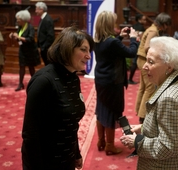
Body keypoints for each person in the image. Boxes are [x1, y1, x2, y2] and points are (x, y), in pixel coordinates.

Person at [120, 36, 178, 169]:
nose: (144, 67)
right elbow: (177, 127)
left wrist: (136, 141)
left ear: (169, 67)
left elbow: (167, 146)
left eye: (151, 62)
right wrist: (143, 128)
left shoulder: (169, 98)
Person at [21, 27, 94, 170]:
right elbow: (30, 135)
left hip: (66, 158)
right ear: (67, 49)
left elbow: (71, 124)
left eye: (89, 51)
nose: (89, 56)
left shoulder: (72, 78)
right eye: (83, 49)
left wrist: (76, 153)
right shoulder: (44, 81)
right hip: (45, 162)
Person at [94, 11, 139, 155]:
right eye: (113, 22)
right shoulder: (112, 42)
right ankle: (109, 145)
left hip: (101, 79)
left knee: (101, 109)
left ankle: (101, 141)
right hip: (112, 82)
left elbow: (110, 47)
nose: (114, 24)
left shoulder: (98, 39)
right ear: (108, 24)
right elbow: (131, 52)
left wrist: (120, 36)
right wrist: (133, 39)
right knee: (112, 112)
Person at [136, 12, 171, 124]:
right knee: (150, 88)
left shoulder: (152, 29)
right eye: (167, 24)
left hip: (141, 60)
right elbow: (147, 47)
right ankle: (143, 117)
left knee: (143, 87)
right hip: (143, 60)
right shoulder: (153, 31)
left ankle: (139, 111)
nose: (167, 27)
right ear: (164, 23)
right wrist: (154, 58)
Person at [9, 10, 40, 91]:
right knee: (21, 66)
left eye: (18, 19)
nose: (17, 20)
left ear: (23, 19)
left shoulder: (30, 27)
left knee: (31, 67)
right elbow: (18, 38)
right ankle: (20, 83)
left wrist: (18, 37)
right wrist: (13, 36)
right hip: (22, 50)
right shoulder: (20, 27)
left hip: (30, 51)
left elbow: (30, 39)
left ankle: (34, 83)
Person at [128, 14, 147, 84]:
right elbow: (142, 38)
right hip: (139, 46)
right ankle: (130, 79)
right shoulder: (141, 28)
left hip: (133, 44)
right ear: (139, 20)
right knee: (135, 62)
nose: (145, 21)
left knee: (134, 62)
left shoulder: (133, 26)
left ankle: (130, 78)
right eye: (144, 19)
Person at [35, 1, 55, 66]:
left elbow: (50, 36)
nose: (35, 11)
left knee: (48, 64)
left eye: (37, 9)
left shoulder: (47, 19)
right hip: (43, 47)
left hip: (46, 48)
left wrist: (44, 47)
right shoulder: (43, 18)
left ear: (41, 9)